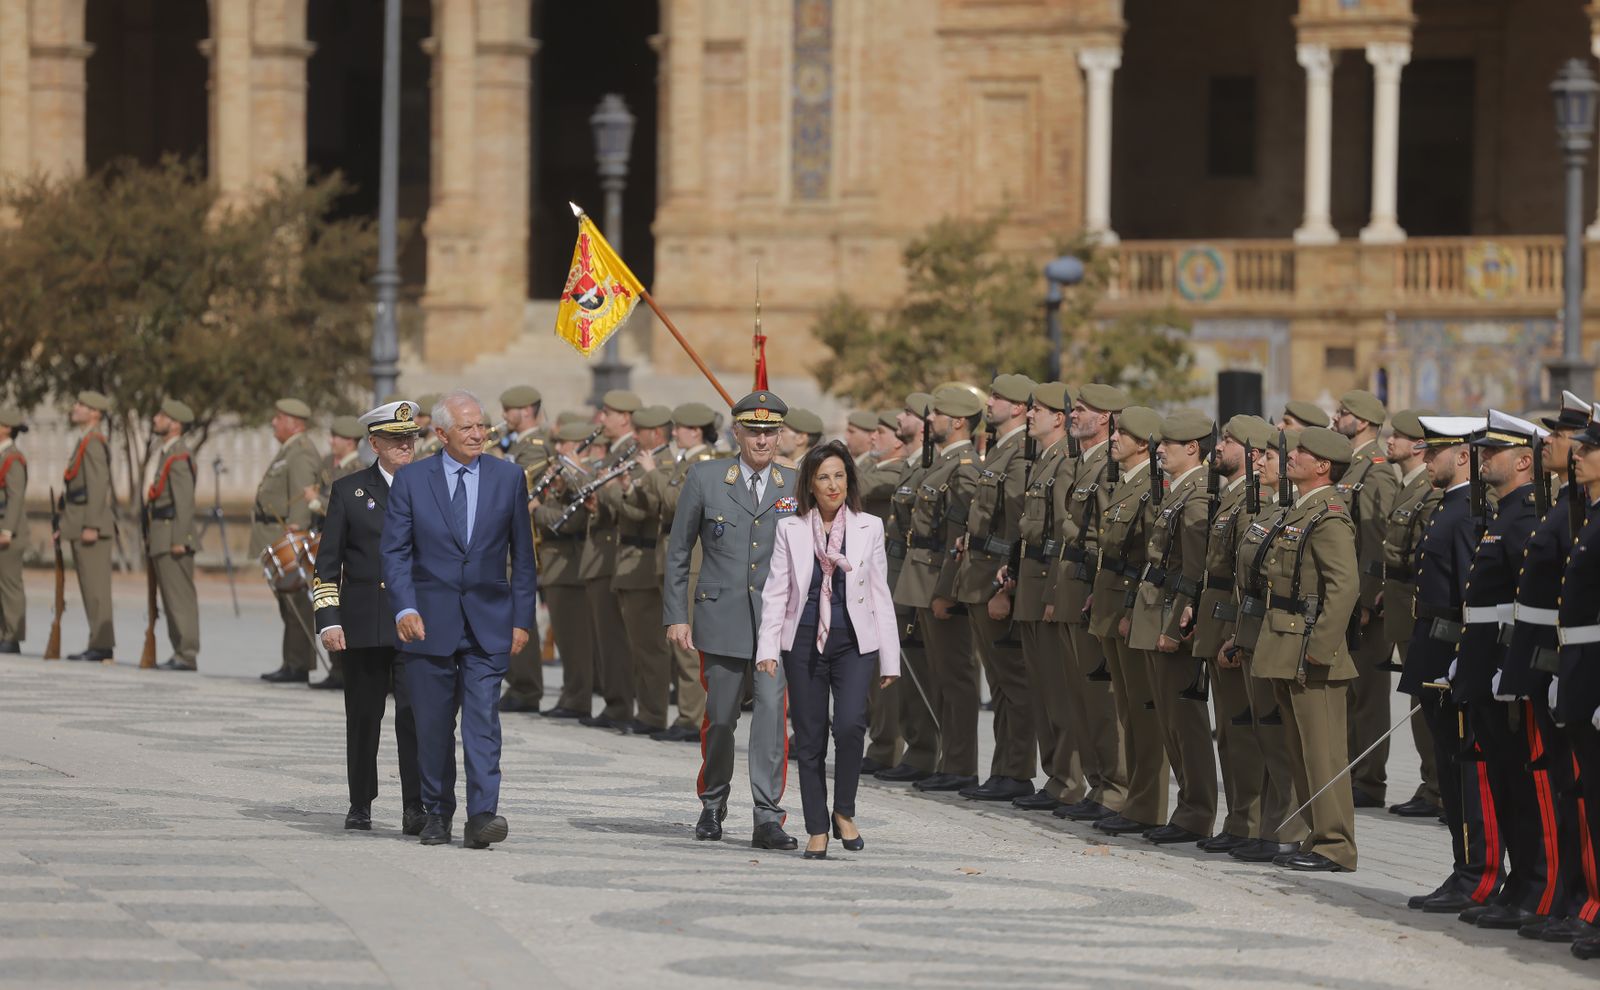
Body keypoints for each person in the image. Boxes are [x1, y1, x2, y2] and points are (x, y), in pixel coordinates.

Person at [381, 390, 537, 848]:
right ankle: (437, 811)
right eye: (466, 427)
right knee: (432, 725)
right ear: (441, 433)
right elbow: (395, 552)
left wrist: (522, 619)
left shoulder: (509, 478)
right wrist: (405, 607)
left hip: (489, 623)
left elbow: (523, 558)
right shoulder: (412, 480)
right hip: (428, 623)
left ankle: (482, 814)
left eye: (481, 425)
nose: (477, 434)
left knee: (483, 722)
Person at [664, 390, 799, 850]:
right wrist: (676, 615)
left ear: (780, 436)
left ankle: (767, 816)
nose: (762, 441)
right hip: (720, 619)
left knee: (770, 723)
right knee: (720, 720)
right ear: (736, 433)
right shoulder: (705, 477)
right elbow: (679, 550)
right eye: (753, 431)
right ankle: (713, 801)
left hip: (775, 625)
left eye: (770, 432)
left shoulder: (794, 484)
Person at [757, 440, 900, 859]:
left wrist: (890, 657)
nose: (833, 485)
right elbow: (776, 591)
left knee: (851, 725)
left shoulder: (869, 526)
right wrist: (767, 648)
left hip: (854, 641)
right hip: (803, 640)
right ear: (810, 484)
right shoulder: (791, 528)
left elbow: (880, 593)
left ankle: (844, 811)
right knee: (810, 736)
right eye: (823, 477)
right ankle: (817, 827)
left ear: (849, 481)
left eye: (839, 476)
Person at [1250, 427, 1361, 872]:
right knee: (1300, 753)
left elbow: (1344, 587)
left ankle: (1336, 846)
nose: (1291, 456)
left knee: (1323, 755)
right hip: (1287, 645)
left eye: (1301, 452)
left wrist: (1320, 647)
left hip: (1312, 652)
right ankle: (1317, 837)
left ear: (1323, 466)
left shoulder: (1329, 516)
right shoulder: (1302, 509)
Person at [314, 400, 423, 835]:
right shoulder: (349, 491)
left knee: (416, 717)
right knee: (363, 718)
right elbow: (327, 563)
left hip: (416, 624)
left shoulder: (430, 487)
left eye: (410, 437)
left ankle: (416, 805)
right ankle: (360, 802)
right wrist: (329, 619)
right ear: (374, 444)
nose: (405, 445)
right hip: (364, 623)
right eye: (396, 439)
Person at [1401, 415, 1494, 911]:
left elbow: (1470, 598)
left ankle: (1476, 875)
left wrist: (1462, 660)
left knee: (1465, 777)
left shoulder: (1468, 515)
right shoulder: (1449, 508)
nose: (1426, 459)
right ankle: (1464, 869)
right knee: (1452, 773)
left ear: (1462, 456)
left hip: (1450, 656)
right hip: (1432, 651)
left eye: (1434, 451)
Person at [1128, 409, 1219, 846]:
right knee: (1168, 720)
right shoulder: (1178, 491)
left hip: (1172, 616)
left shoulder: (1196, 496)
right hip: (1156, 609)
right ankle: (1187, 809)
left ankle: (1196, 812)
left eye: (1168, 444)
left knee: (1185, 723)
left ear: (1193, 448)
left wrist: (1176, 623)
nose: (1159, 450)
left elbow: (1195, 573)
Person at [1045, 383, 1131, 823]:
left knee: (1101, 701)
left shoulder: (1107, 468)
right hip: (1070, 586)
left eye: (1082, 409)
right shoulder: (1081, 463)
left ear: (1107, 419)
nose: (1073, 415)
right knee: (1079, 697)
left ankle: (1116, 788)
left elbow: (1104, 538)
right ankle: (1097, 784)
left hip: (1090, 590)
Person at [893, 385, 984, 794]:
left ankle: (961, 764)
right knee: (940, 676)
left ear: (958, 421)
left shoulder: (964, 468)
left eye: (936, 414)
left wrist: (946, 590)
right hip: (925, 579)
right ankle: (948, 760)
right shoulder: (943, 463)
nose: (928, 420)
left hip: (941, 582)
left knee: (956, 676)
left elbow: (959, 538)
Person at [954, 374, 1038, 803]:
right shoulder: (1003, 449)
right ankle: (1004, 769)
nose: (989, 403)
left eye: (998, 397)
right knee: (1000, 683)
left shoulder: (1021, 452)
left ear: (1019, 407)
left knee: (1012, 681)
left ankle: (1017, 770)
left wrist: (1006, 585)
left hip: (995, 579)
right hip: (979, 575)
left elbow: (1017, 526)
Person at [1088, 405, 1168, 836]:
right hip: (1111, 605)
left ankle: (1148, 804)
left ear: (1144, 444)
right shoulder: (1125, 483)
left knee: (1143, 713)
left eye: (1124, 433)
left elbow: (1150, 560)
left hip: (1129, 609)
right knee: (1128, 711)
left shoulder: (1150, 489)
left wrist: (1130, 610)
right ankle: (1136, 800)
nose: (1114, 438)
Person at [1331, 389, 1400, 810]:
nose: (1335, 417)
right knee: (1350, 692)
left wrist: (1370, 600)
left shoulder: (1376, 471)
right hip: (1348, 599)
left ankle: (1370, 780)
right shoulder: (1350, 467)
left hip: (1365, 603)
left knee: (1368, 694)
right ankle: (1352, 771)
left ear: (1363, 422)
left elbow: (1377, 542)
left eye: (1343, 413)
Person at [643, 402, 720, 742]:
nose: (674, 433)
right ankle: (687, 714)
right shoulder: (684, 462)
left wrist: (651, 473)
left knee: (687, 645)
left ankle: (691, 718)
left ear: (696, 431)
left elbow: (677, 501)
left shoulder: (703, 464)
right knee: (677, 643)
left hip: (694, 564)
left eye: (680, 428)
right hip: (674, 559)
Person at [1380, 409, 1444, 819]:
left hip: (1416, 606)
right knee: (1417, 699)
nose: (1390, 441)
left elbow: (1423, 557)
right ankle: (1430, 782)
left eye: (1399, 436)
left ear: (1419, 445)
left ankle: (1438, 786)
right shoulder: (1408, 486)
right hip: (1401, 604)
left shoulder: (1428, 490)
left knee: (1425, 700)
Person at [606, 404, 675, 735]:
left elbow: (646, 511)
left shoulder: (664, 464)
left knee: (650, 648)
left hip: (646, 563)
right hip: (631, 563)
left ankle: (653, 713)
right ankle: (645, 710)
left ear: (656, 433)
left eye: (641, 431)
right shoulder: (645, 461)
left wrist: (621, 491)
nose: (635, 436)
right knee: (638, 646)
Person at [579, 389, 640, 729]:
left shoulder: (631, 452)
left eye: (608, 413)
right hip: (603, 555)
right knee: (608, 639)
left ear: (625, 418)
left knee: (616, 640)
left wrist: (600, 489)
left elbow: (632, 503)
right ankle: (616, 702)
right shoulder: (615, 452)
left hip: (616, 554)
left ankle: (621, 705)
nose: (602, 418)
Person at [531, 421, 599, 720]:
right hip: (556, 567)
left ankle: (578, 698)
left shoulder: (582, 475)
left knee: (575, 642)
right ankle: (571, 694)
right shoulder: (564, 475)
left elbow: (570, 521)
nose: (557, 448)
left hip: (571, 567)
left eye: (563, 443)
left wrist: (537, 510)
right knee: (565, 639)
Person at [254, 398, 325, 683]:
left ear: (294, 423)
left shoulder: (301, 452)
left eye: (279, 418)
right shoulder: (291, 450)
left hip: (290, 537)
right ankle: (292, 660)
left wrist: (297, 532)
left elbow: (302, 496)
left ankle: (298, 663)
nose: (273, 422)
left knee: (297, 602)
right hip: (277, 534)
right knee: (288, 603)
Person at [496, 385, 550, 714]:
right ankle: (518, 682)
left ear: (527, 410)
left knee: (519, 613)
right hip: (507, 539)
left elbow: (520, 484)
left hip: (524, 540)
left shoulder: (536, 447)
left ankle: (527, 686)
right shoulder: (517, 445)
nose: (503, 416)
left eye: (509, 409)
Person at [61, 390, 116, 662]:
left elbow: (97, 485)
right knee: (88, 587)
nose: (76, 408)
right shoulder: (85, 440)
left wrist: (92, 524)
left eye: (82, 405)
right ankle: (97, 641)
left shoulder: (93, 443)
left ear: (95, 413)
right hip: (79, 520)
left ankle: (102, 645)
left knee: (96, 589)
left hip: (91, 524)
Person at [146, 399, 200, 671]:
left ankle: (186, 653)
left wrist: (180, 539)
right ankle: (180, 650)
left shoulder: (179, 456)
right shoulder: (168, 453)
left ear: (176, 424)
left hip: (172, 537)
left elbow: (184, 502)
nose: (156, 419)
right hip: (162, 535)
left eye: (162, 415)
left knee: (179, 598)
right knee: (170, 599)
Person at [0, 408, 28, 653]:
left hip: (9, 531)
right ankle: (3, 633)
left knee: (10, 585)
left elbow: (15, 497)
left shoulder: (13, 458)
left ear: (7, 429)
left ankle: (12, 636)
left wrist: (7, 530)